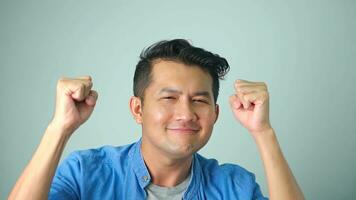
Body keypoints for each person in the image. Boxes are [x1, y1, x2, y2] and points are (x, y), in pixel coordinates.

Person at [8, 39, 304, 200]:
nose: (186, 114)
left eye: (199, 100)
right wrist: (59, 128)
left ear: (214, 114)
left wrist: (263, 131)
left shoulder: (234, 187)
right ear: (138, 109)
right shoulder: (86, 175)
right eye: (169, 98)